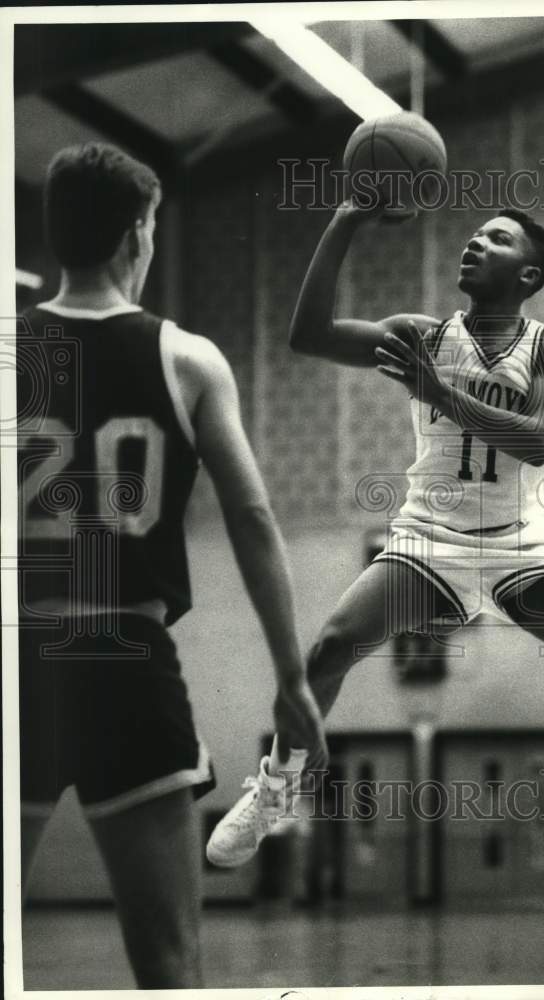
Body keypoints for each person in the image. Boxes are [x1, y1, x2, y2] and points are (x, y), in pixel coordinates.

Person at [207, 197, 544, 865]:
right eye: (472, 236)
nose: (473, 244)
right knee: (329, 648)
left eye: (494, 239)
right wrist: (347, 217)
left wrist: (442, 397)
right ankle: (275, 791)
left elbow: (537, 442)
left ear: (527, 275)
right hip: (429, 538)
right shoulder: (421, 335)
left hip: (517, 540)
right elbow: (309, 335)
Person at [16, 142, 327, 989]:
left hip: (20, 665)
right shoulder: (186, 357)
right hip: (128, 661)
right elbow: (255, 517)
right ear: (134, 239)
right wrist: (292, 675)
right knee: (168, 959)